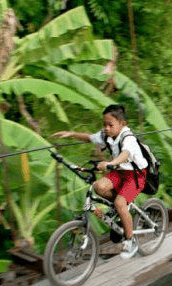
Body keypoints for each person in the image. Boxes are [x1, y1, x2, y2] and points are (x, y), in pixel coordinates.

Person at [53, 104, 148, 259]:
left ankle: (130, 241)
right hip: (119, 172)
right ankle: (122, 206)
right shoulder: (106, 135)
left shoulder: (128, 138)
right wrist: (70, 134)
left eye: (110, 125)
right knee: (98, 186)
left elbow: (125, 154)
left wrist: (111, 163)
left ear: (122, 124)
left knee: (119, 203)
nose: (106, 128)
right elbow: (89, 137)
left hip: (135, 175)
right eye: (104, 124)